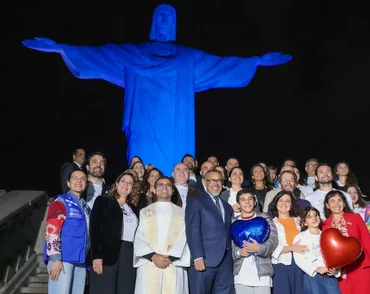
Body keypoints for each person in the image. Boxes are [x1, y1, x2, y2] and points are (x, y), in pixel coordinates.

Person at [22, 4, 291, 175]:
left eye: (168, 18)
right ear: (153, 21)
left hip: (176, 129)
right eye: (159, 17)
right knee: (141, 167)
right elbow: (101, 56)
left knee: (177, 169)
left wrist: (255, 61)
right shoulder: (134, 53)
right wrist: (61, 48)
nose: (163, 21)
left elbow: (220, 65)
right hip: (144, 124)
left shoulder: (187, 58)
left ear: (173, 24)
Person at [131, 176, 190, 294]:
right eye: (160, 184)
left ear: (173, 189)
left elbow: (186, 237)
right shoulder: (145, 212)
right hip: (150, 265)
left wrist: (170, 257)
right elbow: (139, 237)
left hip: (174, 265)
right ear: (154, 190)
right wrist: (153, 256)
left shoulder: (183, 213)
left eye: (168, 185)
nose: (164, 187)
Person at [84, 171, 140, 294]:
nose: (126, 185)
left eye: (130, 183)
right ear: (116, 183)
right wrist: (96, 256)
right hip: (106, 255)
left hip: (128, 255)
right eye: (123, 181)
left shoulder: (133, 209)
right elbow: (95, 229)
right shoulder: (103, 201)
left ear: (133, 188)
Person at [323, 190, 370, 294]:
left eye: (339, 200)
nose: (337, 204)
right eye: (332, 201)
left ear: (344, 202)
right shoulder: (324, 225)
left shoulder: (355, 218)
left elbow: (366, 240)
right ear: (327, 205)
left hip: (361, 268)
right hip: (341, 274)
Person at [185, 169, 234, 294]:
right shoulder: (196, 201)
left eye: (219, 180)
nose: (216, 183)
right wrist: (197, 256)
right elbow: (192, 229)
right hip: (203, 262)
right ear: (205, 182)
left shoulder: (227, 207)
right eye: (212, 180)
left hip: (225, 264)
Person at [43, 169, 89, 294]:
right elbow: (52, 229)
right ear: (68, 183)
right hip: (63, 261)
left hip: (80, 263)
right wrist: (55, 258)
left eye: (83, 178)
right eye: (75, 178)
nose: (79, 181)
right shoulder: (61, 202)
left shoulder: (85, 208)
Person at [293, 206, 352, 294]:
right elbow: (299, 258)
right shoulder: (301, 237)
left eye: (315, 215)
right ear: (304, 222)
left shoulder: (327, 234)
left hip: (330, 278)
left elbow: (336, 255)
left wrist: (335, 270)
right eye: (309, 216)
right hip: (313, 278)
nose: (313, 218)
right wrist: (315, 268)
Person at [231, 189, 278, 294]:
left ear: (255, 201)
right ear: (238, 203)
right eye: (243, 199)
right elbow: (230, 246)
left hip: (262, 271)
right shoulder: (234, 222)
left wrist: (259, 248)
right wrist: (239, 252)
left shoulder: (265, 218)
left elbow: (273, 240)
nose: (247, 202)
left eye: (250, 199)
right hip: (242, 273)